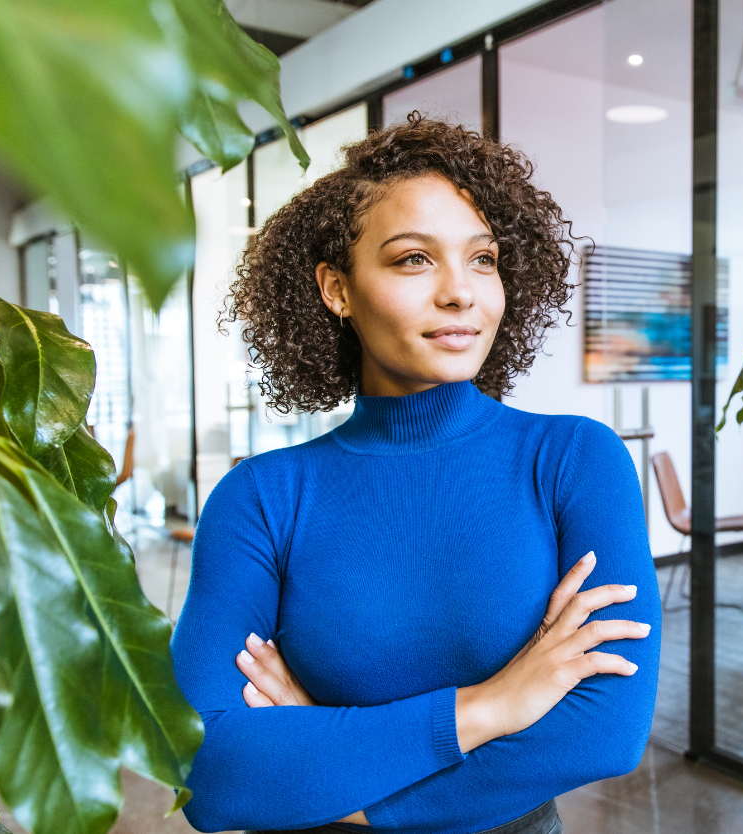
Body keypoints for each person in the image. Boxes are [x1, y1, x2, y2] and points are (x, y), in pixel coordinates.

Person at [169, 114, 661, 834]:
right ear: (337, 289)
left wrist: (335, 764)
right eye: (412, 260)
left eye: (483, 259)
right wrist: (489, 706)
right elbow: (206, 772)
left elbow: (604, 732)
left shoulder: (574, 462)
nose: (461, 293)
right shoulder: (262, 499)